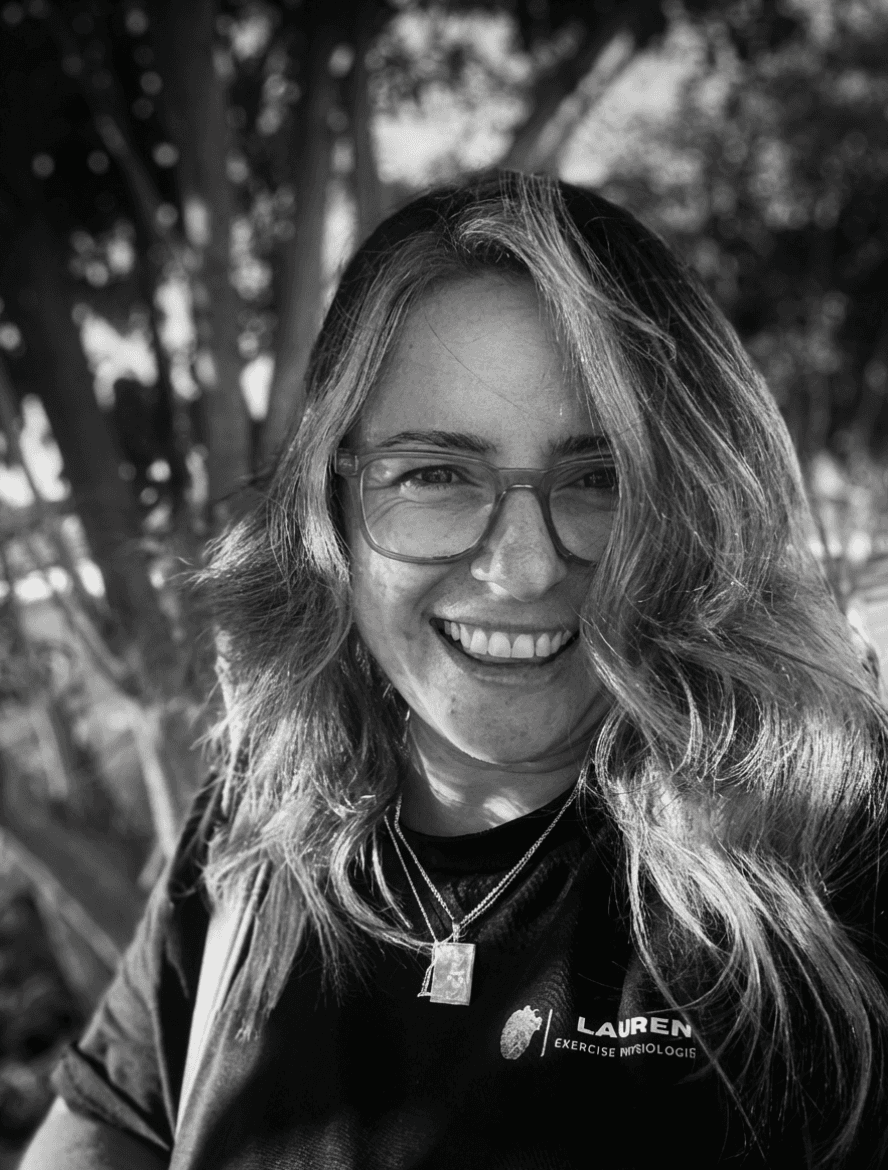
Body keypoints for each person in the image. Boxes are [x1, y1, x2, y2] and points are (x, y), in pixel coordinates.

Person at [22, 171, 888, 1169]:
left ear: (694, 502)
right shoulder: (260, 816)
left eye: (602, 477)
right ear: (329, 506)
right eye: (435, 473)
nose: (520, 570)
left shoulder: (833, 848)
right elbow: (115, 1123)